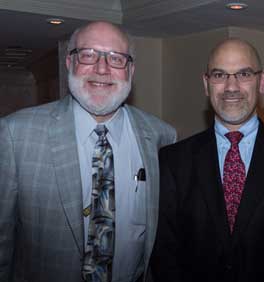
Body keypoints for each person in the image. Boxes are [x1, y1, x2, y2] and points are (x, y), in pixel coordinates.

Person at [0, 21, 176, 282]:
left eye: (116, 58)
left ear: (131, 70)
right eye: (88, 55)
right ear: (69, 63)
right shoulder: (16, 135)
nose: (102, 69)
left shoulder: (163, 137)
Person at [151, 38, 264, 282]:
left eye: (243, 74)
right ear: (206, 83)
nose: (231, 87)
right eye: (219, 75)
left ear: (262, 81)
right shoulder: (173, 162)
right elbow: (165, 255)